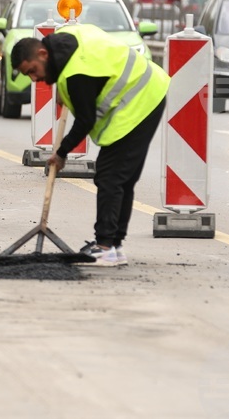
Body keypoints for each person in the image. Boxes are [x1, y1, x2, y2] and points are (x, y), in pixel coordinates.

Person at [10, 23, 170, 267]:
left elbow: (85, 120)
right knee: (121, 178)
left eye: (33, 70)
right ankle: (113, 246)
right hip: (148, 89)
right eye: (28, 76)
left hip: (138, 101)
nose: (34, 79)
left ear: (43, 54)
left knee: (110, 176)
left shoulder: (76, 74)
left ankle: (105, 247)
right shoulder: (69, 39)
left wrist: (61, 153)